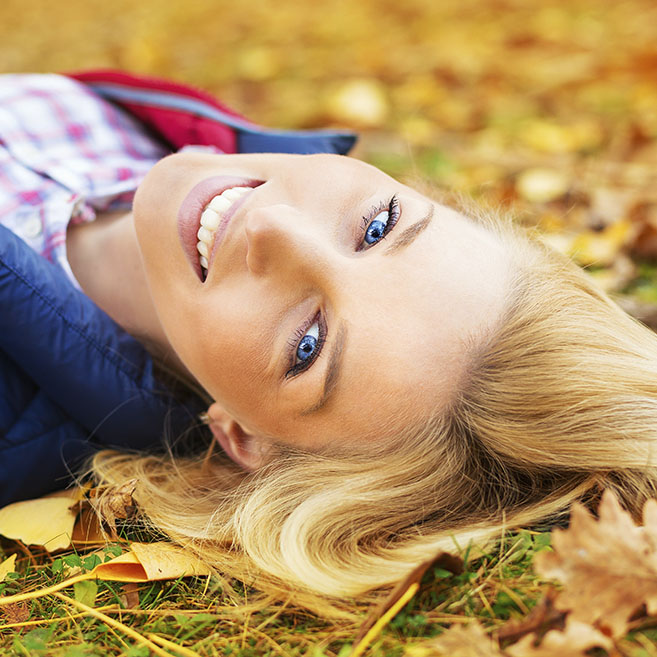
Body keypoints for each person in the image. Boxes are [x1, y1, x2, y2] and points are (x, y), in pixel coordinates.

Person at [3, 71, 657, 615]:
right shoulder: (190, 136)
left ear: (244, 440)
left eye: (308, 345)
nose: (272, 224)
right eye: (377, 227)